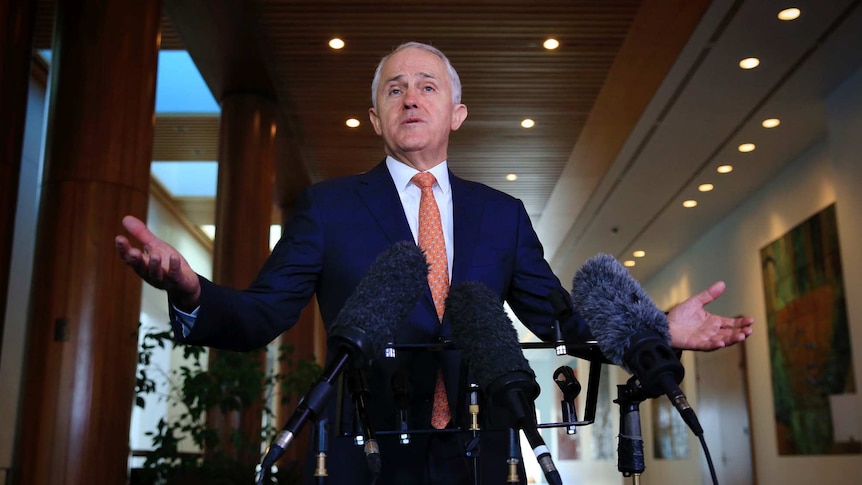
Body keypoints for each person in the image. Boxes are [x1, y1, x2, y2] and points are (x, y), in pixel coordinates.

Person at [116, 42, 754, 484]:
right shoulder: (328, 208)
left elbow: (560, 319)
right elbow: (259, 315)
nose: (411, 98)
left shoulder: (501, 213)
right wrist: (191, 287)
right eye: (395, 90)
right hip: (364, 453)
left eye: (428, 87)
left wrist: (656, 328)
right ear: (375, 118)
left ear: (458, 113)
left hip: (485, 453)